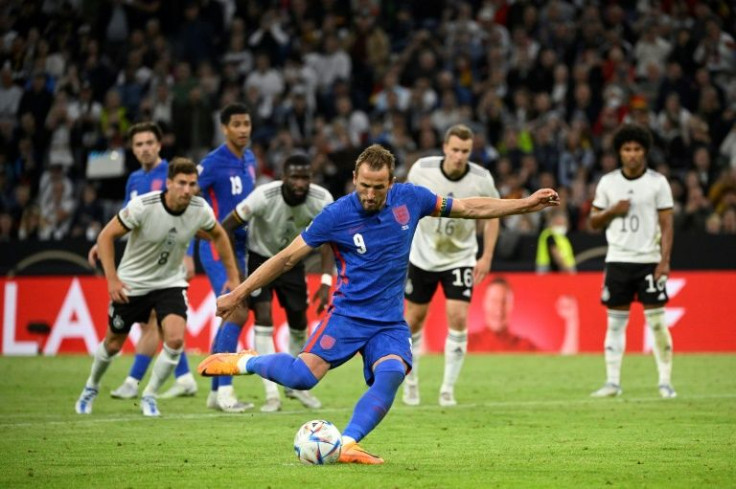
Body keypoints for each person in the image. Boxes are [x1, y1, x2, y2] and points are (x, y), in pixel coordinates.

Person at [198, 144, 559, 464]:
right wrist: (239, 293)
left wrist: (525, 204)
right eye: (363, 186)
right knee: (300, 378)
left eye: (378, 187)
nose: (369, 195)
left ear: (392, 182)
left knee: (392, 373)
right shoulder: (336, 214)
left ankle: (347, 444)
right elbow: (286, 258)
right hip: (347, 316)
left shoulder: (411, 199)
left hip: (387, 322)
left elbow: (468, 207)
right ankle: (246, 360)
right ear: (354, 177)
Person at [75, 158, 240, 416]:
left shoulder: (199, 209)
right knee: (113, 343)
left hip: (170, 282)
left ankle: (149, 395)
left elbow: (219, 234)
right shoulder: (144, 206)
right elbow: (106, 236)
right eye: (182, 183)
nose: (187, 190)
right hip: (133, 284)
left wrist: (233, 277)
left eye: (192, 184)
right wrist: (112, 280)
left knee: (174, 339)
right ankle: (91, 387)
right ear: (169, 183)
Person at [87, 122, 198, 400]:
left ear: (159, 145)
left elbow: (191, 214)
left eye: (150, 142)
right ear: (133, 149)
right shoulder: (134, 179)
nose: (145, 148)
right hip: (141, 260)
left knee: (156, 321)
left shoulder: (174, 175)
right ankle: (183, 378)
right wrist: (101, 243)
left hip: (168, 260)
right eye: (139, 144)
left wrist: (188, 254)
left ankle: (134, 381)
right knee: (159, 324)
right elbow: (123, 219)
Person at [220, 153, 334, 412]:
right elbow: (226, 226)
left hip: (293, 261)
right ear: (283, 177)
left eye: (305, 177)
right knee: (263, 316)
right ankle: (272, 393)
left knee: (299, 323)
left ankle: (293, 385)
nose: (300, 183)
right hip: (260, 260)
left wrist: (326, 281)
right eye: (295, 177)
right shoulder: (263, 196)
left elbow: (331, 239)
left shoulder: (322, 199)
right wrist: (237, 274)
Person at [401, 124, 500, 407]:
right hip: (423, 256)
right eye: (455, 150)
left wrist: (487, 256)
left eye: (465, 151)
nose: (459, 156)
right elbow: (407, 206)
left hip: (460, 257)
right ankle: (411, 384)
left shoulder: (482, 178)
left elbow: (493, 215)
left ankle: (447, 390)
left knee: (457, 318)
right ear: (445, 147)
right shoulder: (422, 169)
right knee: (414, 320)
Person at [589, 124, 676, 399]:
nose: (632, 154)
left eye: (637, 149)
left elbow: (667, 224)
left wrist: (664, 260)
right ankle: (612, 382)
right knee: (615, 324)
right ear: (619, 152)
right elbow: (592, 221)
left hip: (649, 261)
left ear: (645, 152)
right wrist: (613, 210)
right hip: (617, 260)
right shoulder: (608, 183)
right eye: (627, 149)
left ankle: (665, 382)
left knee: (658, 323)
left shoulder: (657, 183)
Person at [194, 102, 258, 413]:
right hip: (219, 247)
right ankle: (225, 391)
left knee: (233, 313)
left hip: (243, 246)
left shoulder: (249, 158)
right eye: (237, 124)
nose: (243, 129)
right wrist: (201, 229)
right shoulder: (212, 163)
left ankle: (214, 390)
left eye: (247, 123)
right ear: (224, 128)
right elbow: (187, 193)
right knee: (237, 312)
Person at [468, 277, 538, 352]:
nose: (499, 308)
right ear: (485, 303)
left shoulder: (526, 347)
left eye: (504, 301)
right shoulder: (467, 344)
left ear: (512, 305)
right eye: (494, 301)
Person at [535, 210, 576, 274]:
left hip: (563, 267)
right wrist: (565, 268)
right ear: (552, 223)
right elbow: (555, 252)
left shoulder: (562, 237)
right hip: (548, 269)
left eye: (562, 224)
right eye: (558, 224)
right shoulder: (549, 235)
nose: (561, 226)